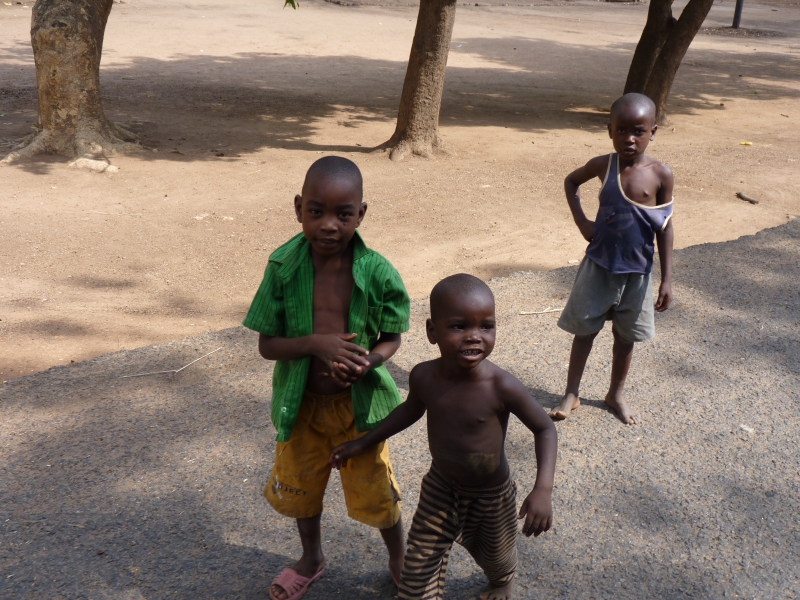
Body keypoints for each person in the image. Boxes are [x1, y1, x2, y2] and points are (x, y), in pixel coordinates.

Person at [243, 156, 410, 600]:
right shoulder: (283, 267)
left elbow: (392, 338)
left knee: (377, 488)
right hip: (301, 407)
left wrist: (370, 363)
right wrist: (315, 344)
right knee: (301, 485)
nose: (329, 225)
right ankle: (311, 557)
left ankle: (399, 557)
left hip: (360, 410)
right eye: (316, 212)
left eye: (344, 214)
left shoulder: (378, 271)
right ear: (299, 207)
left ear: (361, 214)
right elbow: (267, 345)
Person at [330, 274, 558, 600]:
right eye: (459, 326)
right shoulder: (424, 376)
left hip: (491, 494)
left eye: (486, 326)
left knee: (495, 555)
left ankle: (501, 581)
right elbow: (409, 411)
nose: (474, 336)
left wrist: (543, 489)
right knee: (420, 561)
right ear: (432, 331)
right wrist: (363, 442)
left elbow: (545, 428)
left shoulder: (501, 386)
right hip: (440, 487)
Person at [549, 92, 674, 425]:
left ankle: (615, 394)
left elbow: (664, 227)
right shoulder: (604, 165)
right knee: (584, 332)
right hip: (599, 266)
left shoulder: (661, 175)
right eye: (621, 130)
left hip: (638, 273)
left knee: (626, 337)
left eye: (638, 131)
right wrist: (582, 222)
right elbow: (571, 181)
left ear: (652, 132)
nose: (629, 139)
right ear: (609, 130)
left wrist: (667, 279)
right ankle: (571, 393)